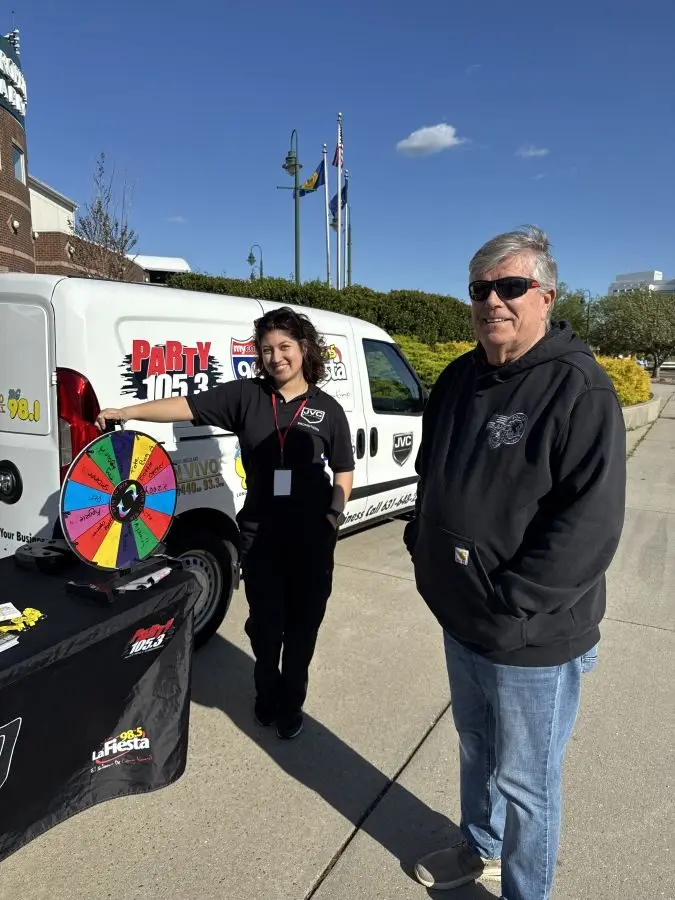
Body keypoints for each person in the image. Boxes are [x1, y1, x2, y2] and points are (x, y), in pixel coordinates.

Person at [404, 226, 626, 899]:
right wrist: (423, 546)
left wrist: (512, 600)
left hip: (530, 631)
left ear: (545, 297)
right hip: (461, 616)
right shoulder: (457, 378)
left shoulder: (577, 387)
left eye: (510, 286)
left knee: (527, 781)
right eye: (480, 289)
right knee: (475, 746)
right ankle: (481, 847)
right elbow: (430, 474)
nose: (492, 301)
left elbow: (589, 525)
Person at [96, 306, 354, 740]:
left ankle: (292, 702)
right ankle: (266, 692)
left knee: (304, 627)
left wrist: (333, 515)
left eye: (285, 347)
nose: (276, 357)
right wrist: (128, 411)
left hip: (312, 539)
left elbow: (344, 469)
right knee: (266, 627)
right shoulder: (247, 397)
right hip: (261, 536)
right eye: (267, 349)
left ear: (304, 347)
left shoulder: (328, 409)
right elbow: (186, 406)